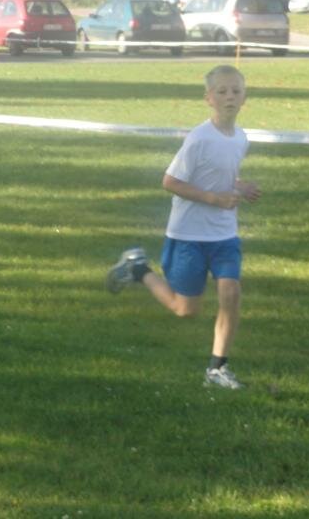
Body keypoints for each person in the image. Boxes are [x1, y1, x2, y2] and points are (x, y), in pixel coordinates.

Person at [105, 64, 261, 389]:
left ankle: (217, 369)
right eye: (222, 91)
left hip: (224, 234)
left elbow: (222, 174)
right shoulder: (199, 138)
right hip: (189, 235)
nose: (230, 97)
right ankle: (138, 269)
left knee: (231, 292)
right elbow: (171, 181)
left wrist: (240, 186)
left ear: (245, 97)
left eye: (236, 91)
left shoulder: (241, 138)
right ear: (209, 98)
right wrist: (213, 198)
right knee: (184, 309)